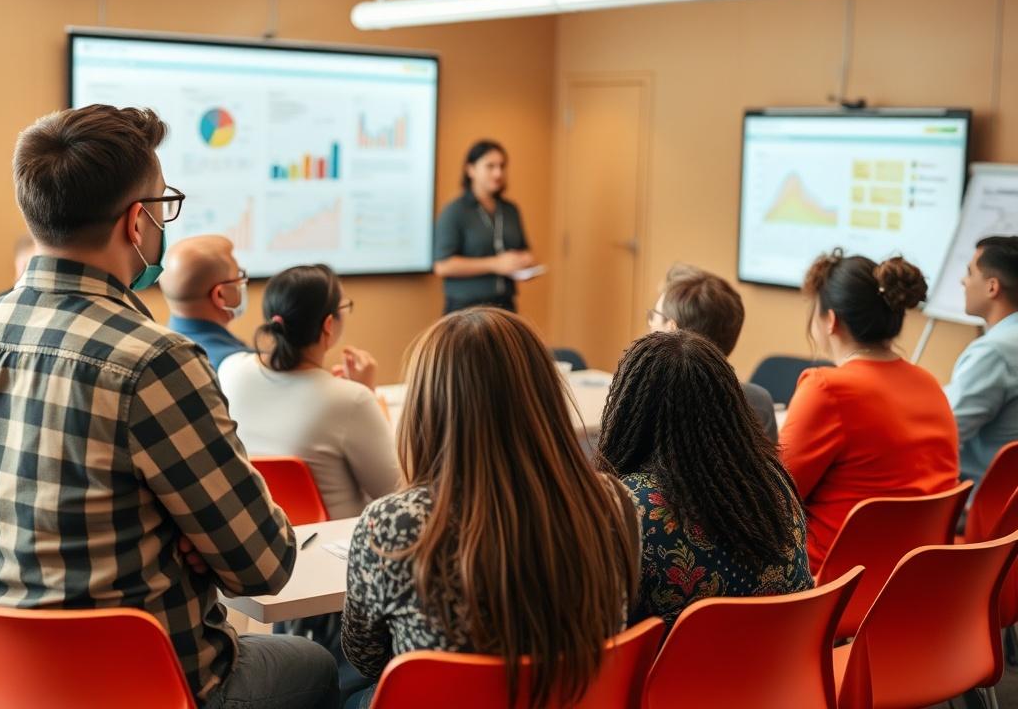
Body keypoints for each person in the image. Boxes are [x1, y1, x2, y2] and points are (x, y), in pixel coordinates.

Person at [0, 104, 337, 709]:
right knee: (317, 663)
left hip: (13, 681)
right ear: (137, 223)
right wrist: (192, 540)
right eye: (163, 206)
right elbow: (264, 565)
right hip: (157, 686)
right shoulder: (155, 360)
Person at [340, 308, 641, 709]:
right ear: (544, 398)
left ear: (424, 408)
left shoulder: (391, 523)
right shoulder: (612, 502)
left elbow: (365, 656)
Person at [598, 330, 812, 629]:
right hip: (782, 671)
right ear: (731, 404)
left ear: (627, 411)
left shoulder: (628, 504)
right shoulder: (775, 484)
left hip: (671, 675)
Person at [780, 249, 959, 570]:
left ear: (831, 320)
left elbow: (776, 498)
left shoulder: (828, 389)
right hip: (916, 586)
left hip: (831, 587)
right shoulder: (930, 385)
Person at [218, 264, 399, 520]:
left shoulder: (230, 370)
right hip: (334, 545)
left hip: (261, 539)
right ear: (328, 324)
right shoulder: (351, 400)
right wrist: (367, 392)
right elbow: (395, 493)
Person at [648, 263, 778, 441]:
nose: (650, 324)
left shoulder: (648, 399)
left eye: (654, 315)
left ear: (672, 331)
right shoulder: (758, 402)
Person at [945, 236, 1018, 488]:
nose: (963, 281)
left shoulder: (994, 352)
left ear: (992, 287)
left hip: (981, 501)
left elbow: (943, 434)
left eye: (970, 272)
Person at [433, 141, 536, 314]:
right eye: (490, 166)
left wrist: (524, 260)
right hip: (467, 310)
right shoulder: (455, 211)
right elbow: (443, 266)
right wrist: (495, 264)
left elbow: (523, 249)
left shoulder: (510, 209)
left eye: (502, 166)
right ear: (470, 169)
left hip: (505, 305)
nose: (498, 173)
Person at [159, 234, 251, 371]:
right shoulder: (238, 365)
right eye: (239, 275)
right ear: (220, 295)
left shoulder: (159, 350)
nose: (242, 283)